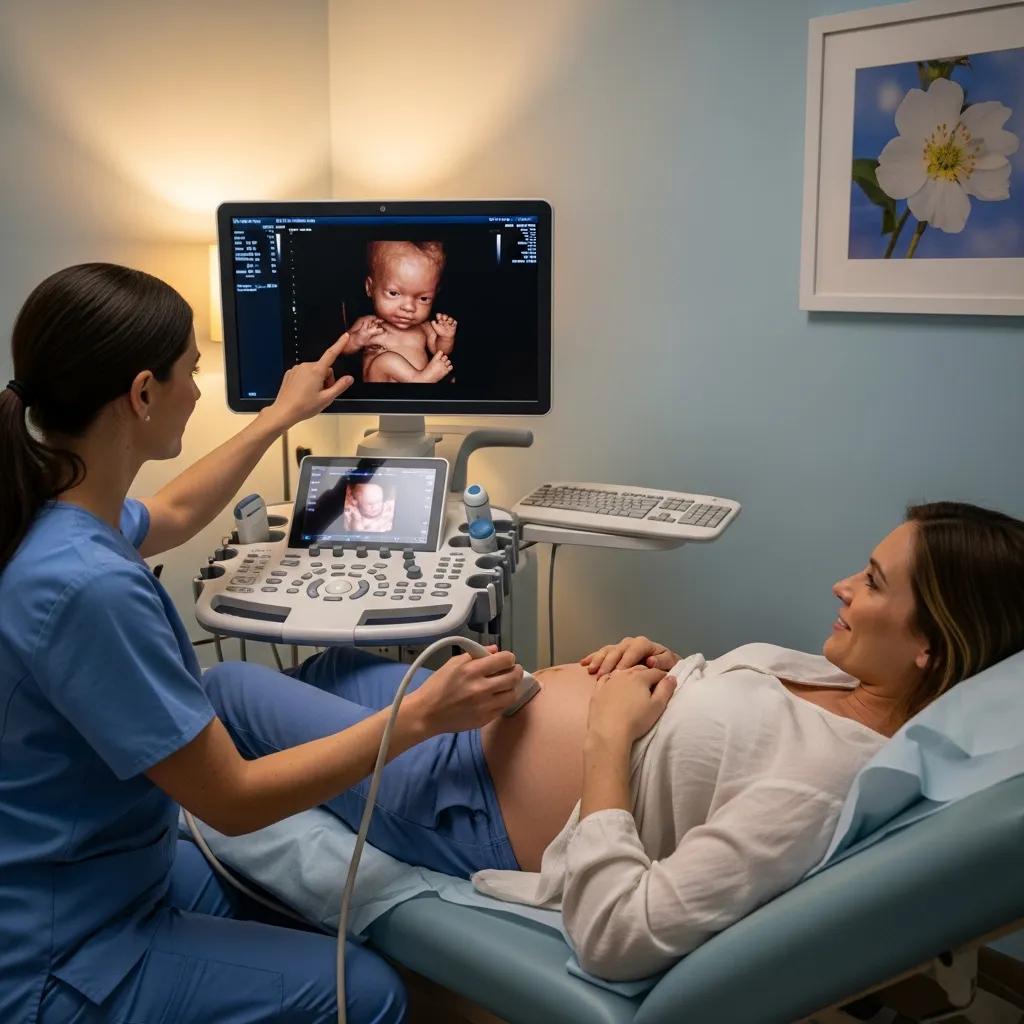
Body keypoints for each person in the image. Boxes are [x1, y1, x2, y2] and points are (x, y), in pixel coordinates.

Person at [0, 263, 527, 1024]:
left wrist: (280, 416)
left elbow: (174, 510)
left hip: (89, 875)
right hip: (62, 955)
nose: (199, 386)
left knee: (278, 900)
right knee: (369, 993)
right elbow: (232, 802)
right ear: (143, 394)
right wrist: (421, 719)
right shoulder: (85, 584)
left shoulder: (60, 515)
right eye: (192, 370)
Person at [200, 500, 1024, 982]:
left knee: (227, 690)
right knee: (328, 661)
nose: (843, 586)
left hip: (464, 800)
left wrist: (606, 734)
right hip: (486, 718)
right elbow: (709, 739)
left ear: (932, 645)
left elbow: (620, 937)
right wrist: (661, 666)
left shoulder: (821, 785)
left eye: (874, 584)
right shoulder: (840, 680)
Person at [339, 240, 457, 383]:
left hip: (412, 398)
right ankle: (421, 379)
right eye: (394, 293)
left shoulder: (424, 328)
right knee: (384, 360)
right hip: (381, 388)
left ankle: (422, 381)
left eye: (423, 298)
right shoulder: (368, 324)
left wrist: (445, 337)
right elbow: (342, 348)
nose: (409, 308)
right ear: (370, 287)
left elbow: (441, 352)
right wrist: (358, 338)